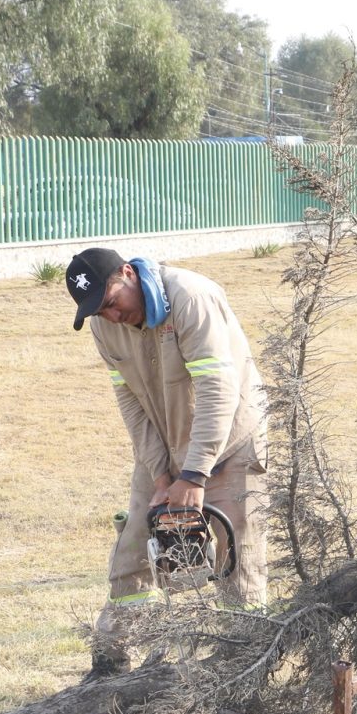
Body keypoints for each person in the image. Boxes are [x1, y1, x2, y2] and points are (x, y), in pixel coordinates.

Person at [66, 247, 269, 677]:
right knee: (134, 548)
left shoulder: (191, 298)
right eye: (98, 310)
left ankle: (243, 668)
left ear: (128, 273)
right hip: (165, 444)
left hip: (232, 442)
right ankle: (111, 665)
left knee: (237, 557)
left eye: (112, 301)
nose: (111, 316)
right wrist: (161, 474)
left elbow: (219, 390)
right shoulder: (104, 326)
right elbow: (130, 402)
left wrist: (194, 475)